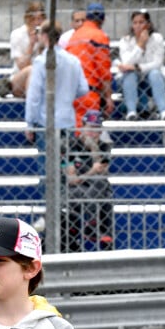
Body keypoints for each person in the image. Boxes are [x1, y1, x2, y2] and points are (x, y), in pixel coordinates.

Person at [25, 21, 89, 192]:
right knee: (65, 164)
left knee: (47, 169)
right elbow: (83, 88)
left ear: (44, 36)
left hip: (46, 121)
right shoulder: (73, 61)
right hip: (67, 121)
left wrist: (29, 122)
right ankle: (63, 209)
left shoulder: (41, 61)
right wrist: (67, 95)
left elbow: (34, 95)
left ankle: (49, 210)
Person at [62, 108, 114, 252]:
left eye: (96, 129)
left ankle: (93, 227)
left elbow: (103, 173)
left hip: (96, 189)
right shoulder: (70, 144)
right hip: (75, 191)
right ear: (82, 127)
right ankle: (95, 228)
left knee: (102, 186)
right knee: (103, 195)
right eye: (89, 128)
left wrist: (93, 148)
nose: (92, 133)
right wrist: (91, 171)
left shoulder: (104, 146)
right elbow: (72, 179)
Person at [116, 10, 165, 120]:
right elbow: (126, 63)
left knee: (155, 73)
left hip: (151, 78)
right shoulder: (125, 40)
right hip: (130, 78)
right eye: (135, 22)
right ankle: (131, 111)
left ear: (148, 24)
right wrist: (140, 45)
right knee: (130, 74)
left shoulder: (157, 38)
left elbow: (157, 63)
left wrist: (138, 67)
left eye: (141, 22)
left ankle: (163, 111)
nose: (138, 26)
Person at [66, 2, 114, 128]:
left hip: (70, 92)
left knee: (75, 132)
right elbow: (103, 70)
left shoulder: (75, 36)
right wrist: (108, 97)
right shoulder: (100, 36)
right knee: (92, 132)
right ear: (103, 20)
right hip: (90, 93)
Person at [0, 1, 46, 99]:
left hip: (42, 77)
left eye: (40, 19)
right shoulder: (17, 34)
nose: (36, 23)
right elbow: (22, 66)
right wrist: (31, 45)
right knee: (32, 70)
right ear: (27, 19)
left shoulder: (46, 35)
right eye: (33, 19)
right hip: (20, 78)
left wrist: (42, 44)